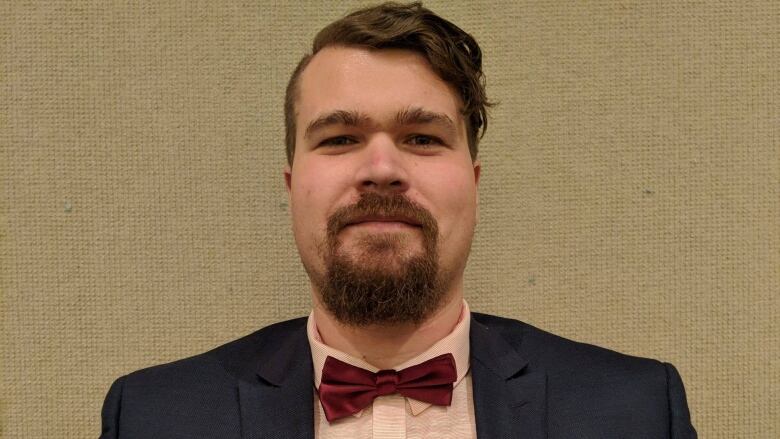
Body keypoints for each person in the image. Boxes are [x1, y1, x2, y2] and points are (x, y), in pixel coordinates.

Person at [100, 2, 696, 438]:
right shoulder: (152, 416)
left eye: (421, 136)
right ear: (291, 188)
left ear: (474, 182)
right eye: (339, 137)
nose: (381, 168)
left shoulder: (636, 410)